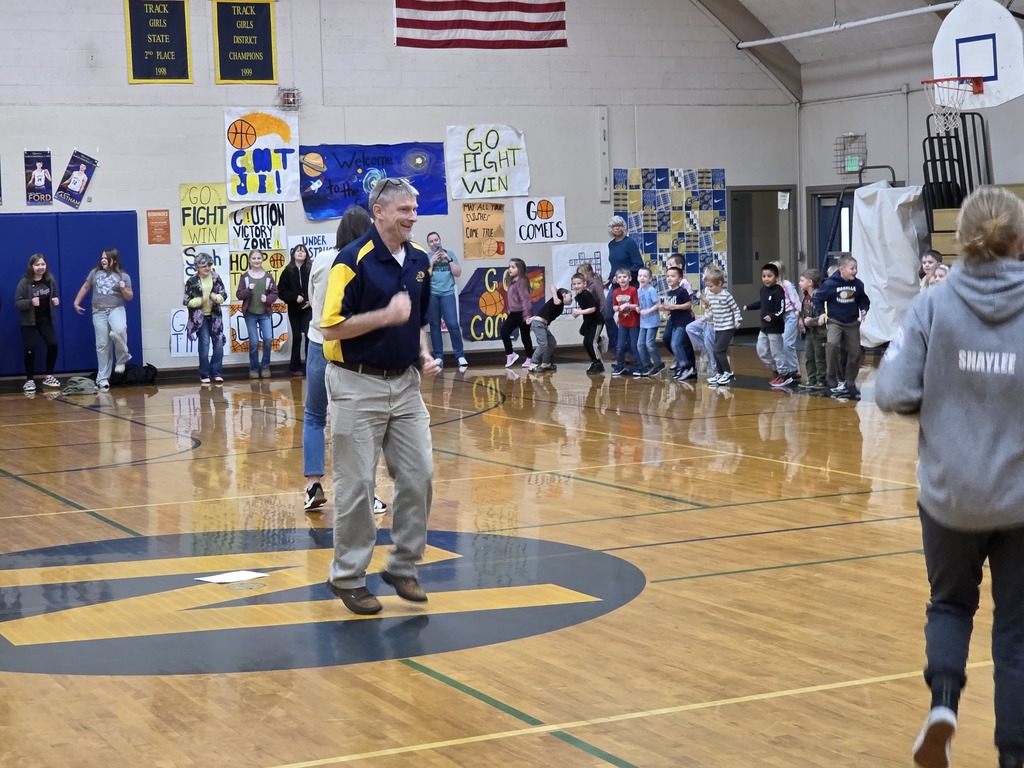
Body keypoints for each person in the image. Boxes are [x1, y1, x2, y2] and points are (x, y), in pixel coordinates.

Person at [875, 185, 1024, 768]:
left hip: (948, 497)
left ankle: (943, 704)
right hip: (1019, 500)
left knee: (950, 605)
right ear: (1019, 240)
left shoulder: (931, 306)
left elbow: (892, 390)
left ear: (958, 241)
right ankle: (1013, 755)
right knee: (1016, 632)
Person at [320, 177, 440, 616]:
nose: (413, 216)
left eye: (414, 208)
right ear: (380, 212)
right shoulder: (351, 262)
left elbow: (419, 323)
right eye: (405, 210)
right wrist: (383, 317)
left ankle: (403, 565)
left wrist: (423, 354)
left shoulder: (421, 262)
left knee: (420, 474)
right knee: (356, 486)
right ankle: (348, 577)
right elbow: (330, 328)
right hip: (356, 384)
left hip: (406, 385)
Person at [302, 206, 388, 518]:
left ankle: (312, 485)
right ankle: (368, 494)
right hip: (353, 351)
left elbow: (312, 298)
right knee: (362, 423)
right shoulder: (370, 261)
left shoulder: (321, 260)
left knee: (313, 417)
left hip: (317, 345)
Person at [73, 248, 134, 390]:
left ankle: (121, 359)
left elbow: (130, 297)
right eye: (102, 258)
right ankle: (102, 379)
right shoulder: (94, 273)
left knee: (119, 330)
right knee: (102, 345)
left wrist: (124, 290)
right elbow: (85, 287)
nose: (103, 260)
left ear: (115, 260)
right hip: (98, 311)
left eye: (106, 258)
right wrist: (76, 303)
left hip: (116, 308)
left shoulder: (123, 276)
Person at [813, 254, 870, 400]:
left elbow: (864, 299)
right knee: (832, 343)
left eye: (856, 268)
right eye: (852, 268)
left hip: (851, 323)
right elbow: (818, 298)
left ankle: (850, 382)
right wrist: (821, 314)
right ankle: (831, 376)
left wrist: (864, 309)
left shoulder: (858, 284)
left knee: (855, 352)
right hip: (835, 321)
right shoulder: (830, 284)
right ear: (842, 269)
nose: (855, 271)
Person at [14, 254, 61, 393]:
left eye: (42, 264)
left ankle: (49, 376)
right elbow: (17, 302)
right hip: (29, 321)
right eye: (37, 265)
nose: (40, 267)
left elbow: (54, 295)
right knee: (30, 348)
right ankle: (29, 380)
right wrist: (30, 302)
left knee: (53, 344)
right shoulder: (24, 282)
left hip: (45, 319)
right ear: (32, 266)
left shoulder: (50, 280)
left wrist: (56, 300)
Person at [425, 231, 468, 370]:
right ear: (428, 244)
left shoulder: (450, 254)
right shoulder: (426, 257)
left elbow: (457, 272)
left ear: (440, 240)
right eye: (431, 241)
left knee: (452, 324)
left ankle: (460, 356)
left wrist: (448, 259)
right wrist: (431, 263)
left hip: (447, 293)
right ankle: (438, 357)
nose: (434, 243)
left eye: (436, 240)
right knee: (434, 325)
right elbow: (424, 277)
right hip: (432, 294)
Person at [182, 252, 227, 384]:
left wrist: (216, 298)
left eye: (209, 265)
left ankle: (216, 372)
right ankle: (204, 373)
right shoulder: (192, 281)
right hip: (200, 318)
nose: (207, 268)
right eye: (203, 266)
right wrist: (201, 300)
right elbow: (187, 301)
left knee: (218, 343)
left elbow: (223, 295)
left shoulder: (216, 277)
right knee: (205, 344)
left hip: (215, 316)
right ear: (197, 267)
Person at [236, 249, 280, 379]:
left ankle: (265, 366)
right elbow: (239, 295)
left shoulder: (268, 276)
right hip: (250, 314)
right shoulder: (245, 277)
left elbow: (274, 293)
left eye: (259, 258)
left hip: (264, 313)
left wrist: (268, 299)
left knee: (267, 339)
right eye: (254, 258)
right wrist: (248, 290)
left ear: (262, 259)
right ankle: (254, 368)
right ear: (250, 260)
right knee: (254, 342)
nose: (256, 261)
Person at [743, 263, 789, 387]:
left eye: (769, 276)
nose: (766, 279)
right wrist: (749, 306)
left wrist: (772, 316)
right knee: (761, 351)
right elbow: (762, 303)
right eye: (764, 276)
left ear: (776, 277)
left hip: (775, 328)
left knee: (776, 352)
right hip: (764, 328)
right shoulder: (763, 290)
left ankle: (784, 374)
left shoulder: (778, 291)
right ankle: (776, 370)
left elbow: (781, 309)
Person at [604, 215, 643, 348]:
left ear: (623, 227)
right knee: (607, 314)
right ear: (611, 228)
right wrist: (609, 280)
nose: (617, 228)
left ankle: (633, 349)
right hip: (615, 285)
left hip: (630, 285)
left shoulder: (629, 243)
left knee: (630, 316)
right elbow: (614, 266)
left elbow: (638, 264)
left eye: (620, 225)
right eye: (615, 226)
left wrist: (623, 274)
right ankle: (618, 346)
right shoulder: (611, 245)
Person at [703, 266, 742, 387]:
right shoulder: (710, 295)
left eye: (711, 286)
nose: (709, 289)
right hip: (718, 327)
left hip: (727, 327)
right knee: (716, 351)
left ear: (719, 283)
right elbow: (711, 310)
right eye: (708, 286)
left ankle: (728, 373)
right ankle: (720, 373)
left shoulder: (726, 296)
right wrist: (706, 317)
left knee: (719, 350)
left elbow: (735, 309)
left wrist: (737, 320)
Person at [277, 244, 312, 376]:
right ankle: (295, 366)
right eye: (298, 251)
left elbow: (317, 286)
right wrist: (294, 297)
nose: (300, 253)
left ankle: (310, 366)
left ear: (306, 255)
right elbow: (282, 291)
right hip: (294, 309)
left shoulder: (310, 269)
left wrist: (310, 299)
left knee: (309, 335)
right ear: (293, 254)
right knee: (297, 337)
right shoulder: (287, 271)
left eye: (303, 251)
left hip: (308, 308)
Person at [770, 260, 802, 384]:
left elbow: (795, 300)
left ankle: (794, 369)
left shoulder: (787, 285)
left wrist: (798, 314)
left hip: (790, 316)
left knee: (787, 342)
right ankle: (783, 369)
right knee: (779, 343)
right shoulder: (771, 288)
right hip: (779, 317)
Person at [662, 265, 695, 380]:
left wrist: (674, 306)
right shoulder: (670, 292)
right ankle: (682, 365)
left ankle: (686, 366)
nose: (669, 278)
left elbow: (688, 305)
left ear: (680, 279)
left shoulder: (682, 291)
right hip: (675, 322)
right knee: (671, 342)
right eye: (667, 276)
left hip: (683, 321)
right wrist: (665, 308)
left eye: (672, 276)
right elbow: (671, 307)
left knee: (676, 343)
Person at [500, 257, 534, 368]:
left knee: (525, 336)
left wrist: (527, 315)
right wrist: (510, 309)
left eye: (513, 267)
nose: (510, 269)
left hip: (523, 313)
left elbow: (525, 299)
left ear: (519, 269)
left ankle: (530, 357)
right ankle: (510, 354)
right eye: (509, 267)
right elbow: (513, 298)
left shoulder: (522, 281)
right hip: (514, 313)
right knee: (504, 332)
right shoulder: (511, 281)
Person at [796, 268, 827, 391]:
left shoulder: (819, 296)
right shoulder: (805, 297)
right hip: (809, 333)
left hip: (819, 332)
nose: (799, 283)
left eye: (802, 280)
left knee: (819, 357)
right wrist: (800, 318)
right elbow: (804, 311)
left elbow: (823, 315)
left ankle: (821, 380)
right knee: (809, 356)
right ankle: (811, 379)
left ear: (810, 282)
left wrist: (812, 322)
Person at [528, 286, 571, 372]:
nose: (572, 299)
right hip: (539, 325)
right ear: (564, 295)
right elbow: (552, 286)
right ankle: (533, 363)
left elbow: (545, 311)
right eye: (570, 296)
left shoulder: (560, 306)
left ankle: (546, 363)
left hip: (544, 325)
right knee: (543, 344)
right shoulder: (558, 298)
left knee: (552, 343)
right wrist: (555, 297)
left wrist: (534, 317)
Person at [570, 272, 604, 374]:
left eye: (579, 283)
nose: (576, 286)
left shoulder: (586, 294)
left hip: (597, 321)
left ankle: (599, 364)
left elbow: (593, 309)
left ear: (584, 284)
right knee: (586, 342)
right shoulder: (578, 296)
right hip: (589, 321)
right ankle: (594, 361)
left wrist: (579, 312)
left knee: (591, 342)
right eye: (574, 284)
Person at [634, 266, 663, 377]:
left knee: (649, 344)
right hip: (643, 322)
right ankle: (647, 365)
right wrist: (637, 308)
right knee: (640, 344)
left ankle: (658, 363)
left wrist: (648, 311)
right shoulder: (638, 291)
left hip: (652, 322)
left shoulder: (651, 290)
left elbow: (658, 305)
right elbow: (638, 304)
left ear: (650, 279)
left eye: (645, 276)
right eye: (640, 276)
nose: (642, 278)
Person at [610, 267, 640, 376]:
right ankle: (620, 366)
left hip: (633, 323)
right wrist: (618, 308)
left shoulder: (633, 290)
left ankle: (639, 365)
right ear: (616, 280)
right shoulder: (615, 292)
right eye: (620, 277)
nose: (622, 279)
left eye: (625, 277)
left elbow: (636, 305)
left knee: (634, 345)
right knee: (620, 346)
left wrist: (627, 305)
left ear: (630, 278)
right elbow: (614, 307)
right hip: (622, 323)